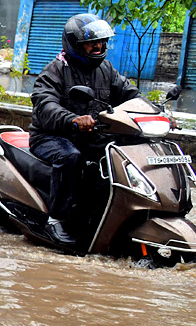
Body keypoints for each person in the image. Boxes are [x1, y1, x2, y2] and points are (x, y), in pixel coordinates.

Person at [30, 13, 141, 247]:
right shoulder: (55, 71)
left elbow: (131, 95)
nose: (99, 46)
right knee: (70, 157)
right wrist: (72, 119)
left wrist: (156, 113)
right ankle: (56, 219)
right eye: (92, 43)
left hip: (91, 137)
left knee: (120, 156)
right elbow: (45, 105)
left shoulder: (106, 70)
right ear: (75, 44)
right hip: (52, 136)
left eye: (102, 42)